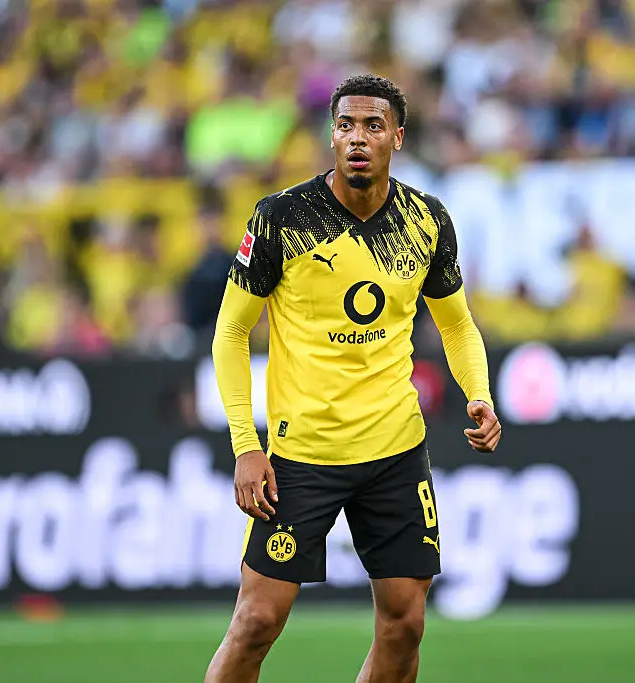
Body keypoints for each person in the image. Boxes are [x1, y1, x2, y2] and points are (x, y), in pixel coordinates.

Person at [205, 74, 501, 683]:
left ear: (398, 136)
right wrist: (245, 446)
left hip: (395, 451)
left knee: (405, 624)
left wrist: (479, 394)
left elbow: (457, 325)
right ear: (332, 135)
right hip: (302, 456)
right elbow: (230, 332)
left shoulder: (426, 221)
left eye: (372, 125)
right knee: (256, 621)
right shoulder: (282, 218)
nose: (357, 138)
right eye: (345, 125)